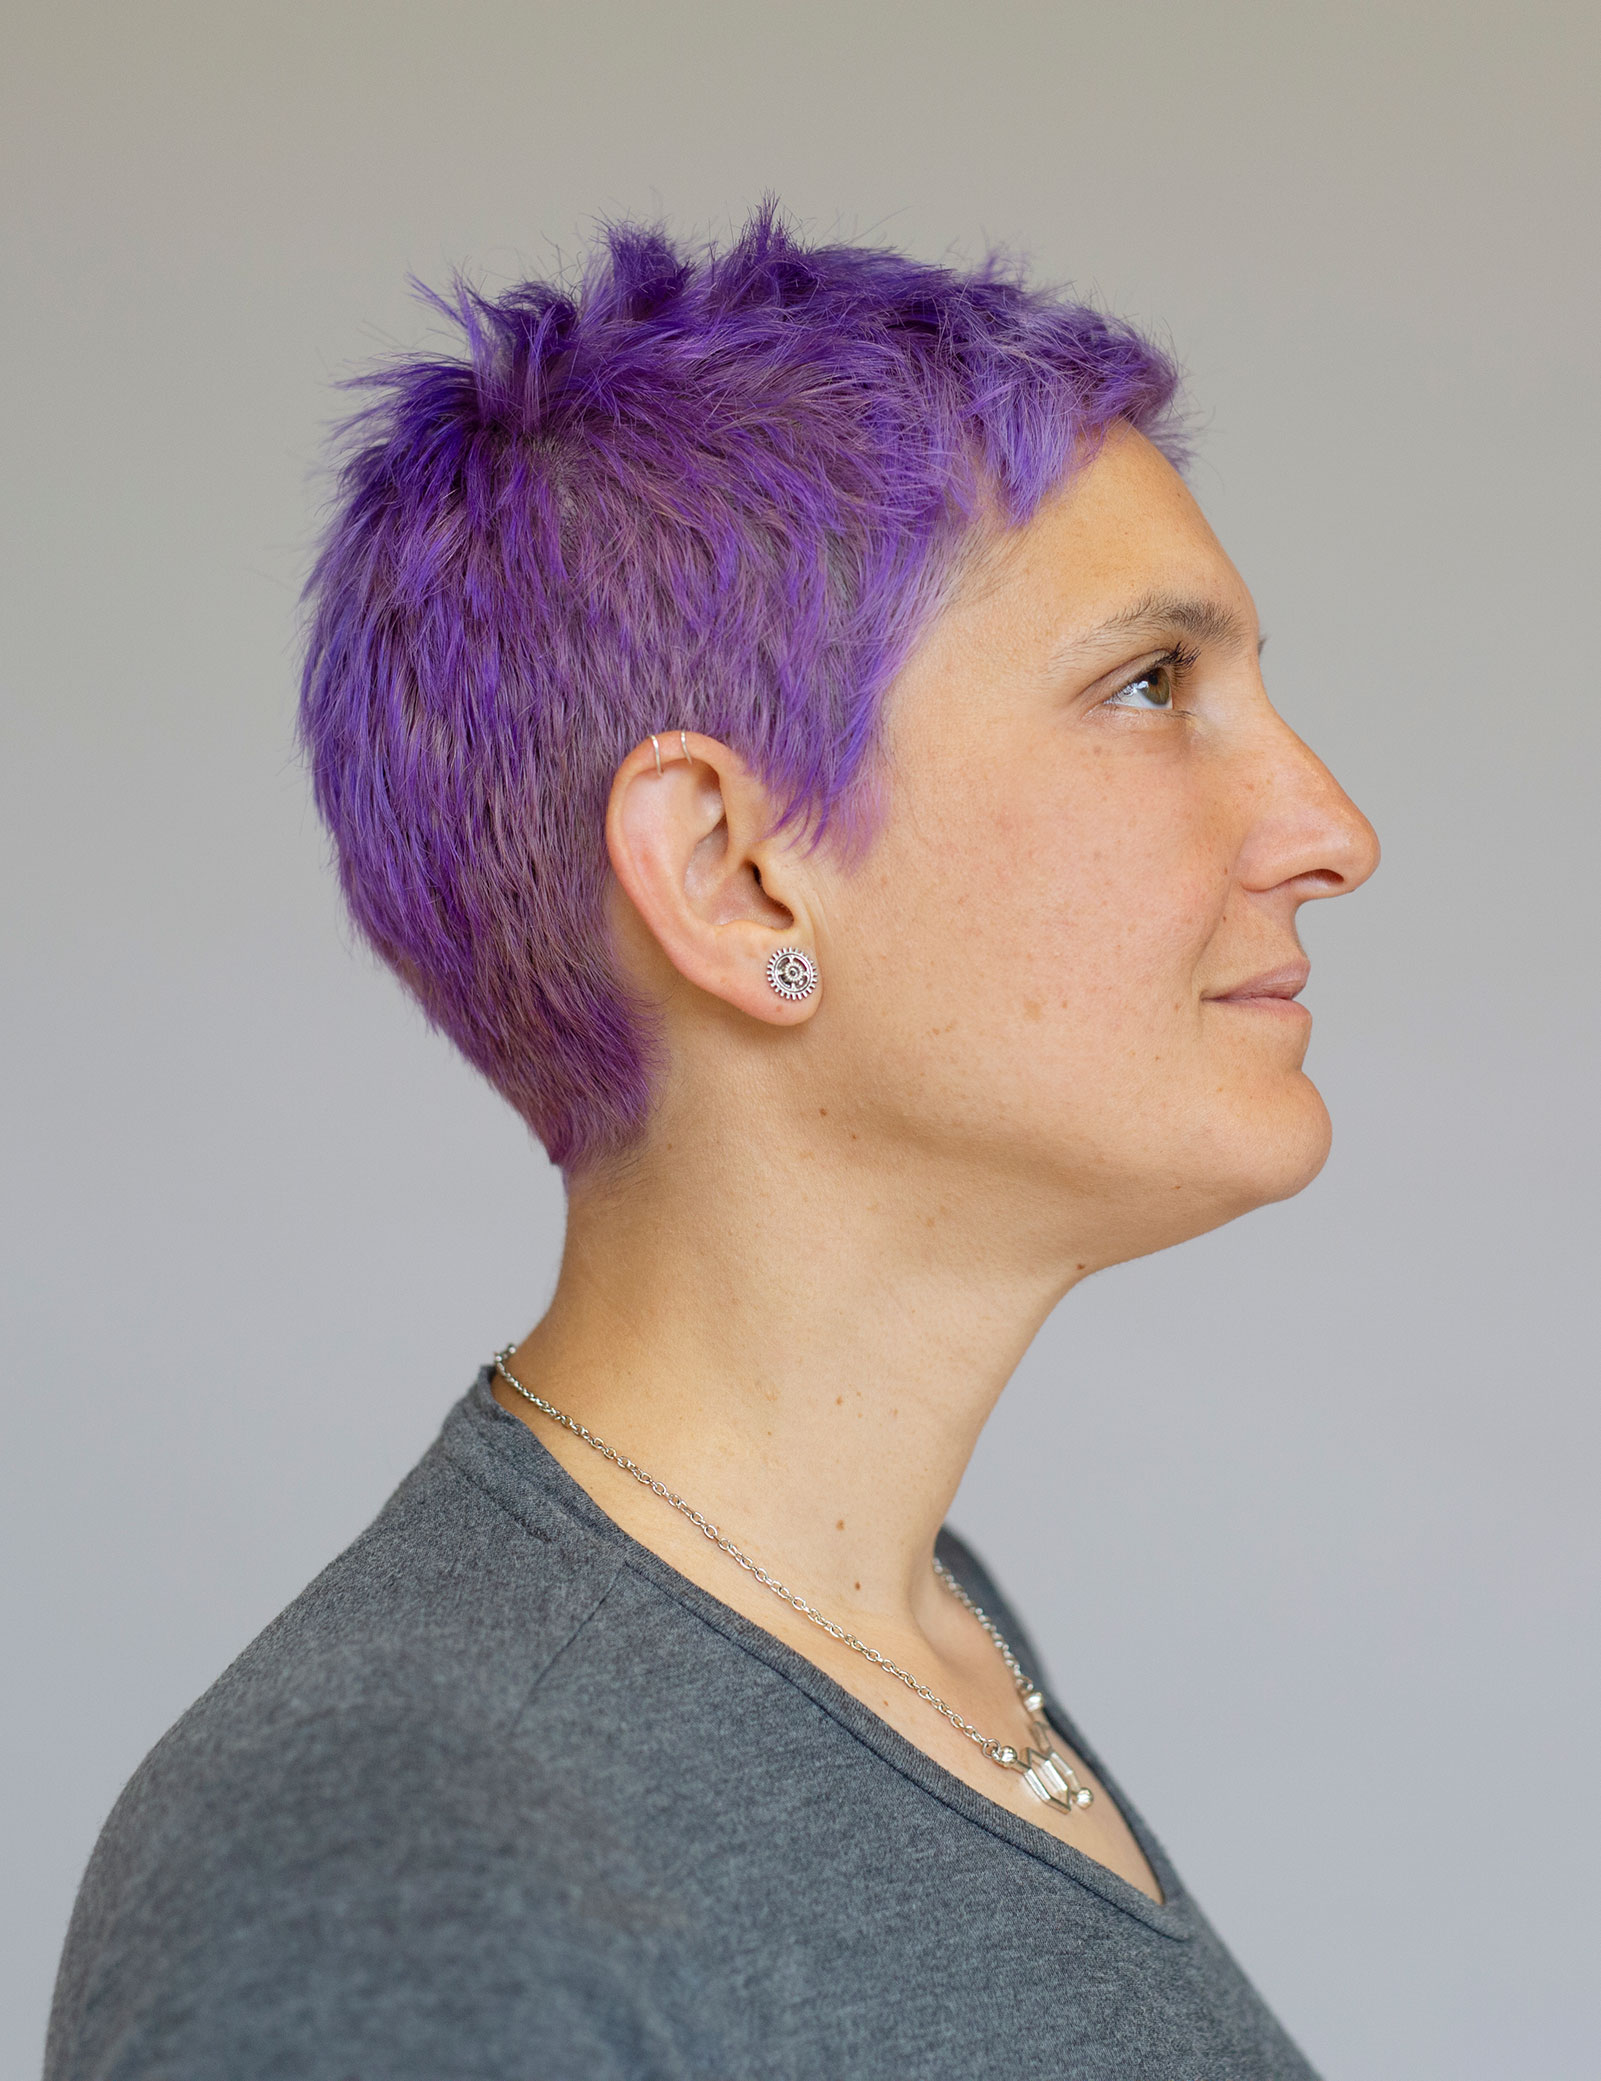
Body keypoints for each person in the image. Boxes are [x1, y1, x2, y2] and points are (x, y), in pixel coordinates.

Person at [46, 206, 1379, 2080]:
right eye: (1150, 684)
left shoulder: (925, 1649)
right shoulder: (405, 1859)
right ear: (733, 872)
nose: (1327, 829)